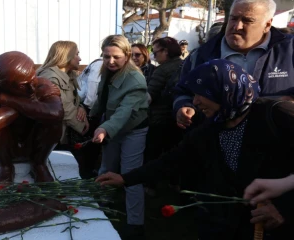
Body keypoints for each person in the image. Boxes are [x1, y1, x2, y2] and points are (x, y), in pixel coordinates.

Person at [96, 59, 294, 240]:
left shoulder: (277, 115)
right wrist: (126, 178)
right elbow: (174, 159)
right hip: (227, 224)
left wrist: (284, 207)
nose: (196, 101)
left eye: (202, 94)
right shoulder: (212, 125)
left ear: (223, 90)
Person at [173, 0, 294, 131]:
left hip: (278, 140)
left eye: (247, 20)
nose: (237, 26)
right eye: (234, 18)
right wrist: (183, 106)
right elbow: (183, 90)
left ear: (267, 24)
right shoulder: (202, 54)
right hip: (217, 142)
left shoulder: (289, 50)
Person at [0, 51, 64, 183]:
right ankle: (5, 167)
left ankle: (39, 164)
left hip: (34, 145)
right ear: (2, 85)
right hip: (5, 148)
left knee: (53, 122)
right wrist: (32, 106)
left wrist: (2, 99)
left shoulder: (42, 84)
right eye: (23, 85)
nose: (32, 88)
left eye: (33, 78)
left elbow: (56, 113)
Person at [90, 34, 149, 238]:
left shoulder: (135, 79)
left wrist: (105, 129)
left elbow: (125, 111)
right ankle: (103, 207)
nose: (110, 61)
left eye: (115, 56)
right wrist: (91, 117)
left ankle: (135, 223)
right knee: (106, 167)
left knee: (130, 175)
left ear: (126, 55)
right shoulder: (106, 72)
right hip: (111, 127)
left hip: (133, 130)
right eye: (106, 56)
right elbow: (103, 99)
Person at [36, 41, 90, 145]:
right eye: (77, 54)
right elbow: (62, 107)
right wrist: (82, 125)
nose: (80, 59)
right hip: (51, 139)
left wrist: (81, 108)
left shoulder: (68, 75)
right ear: (66, 55)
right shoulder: (50, 77)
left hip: (62, 134)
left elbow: (73, 100)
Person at [145, 37, 183, 162]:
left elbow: (148, 97)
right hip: (179, 117)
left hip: (160, 120)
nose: (154, 56)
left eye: (155, 53)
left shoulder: (161, 70)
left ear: (165, 51)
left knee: (153, 156)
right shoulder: (185, 64)